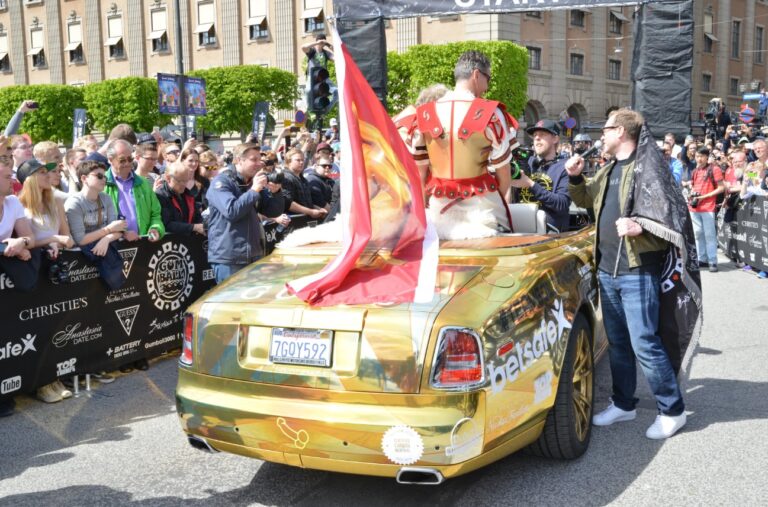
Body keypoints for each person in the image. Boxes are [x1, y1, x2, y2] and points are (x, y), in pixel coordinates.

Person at [566, 108, 687, 440]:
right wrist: (576, 178)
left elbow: (671, 221)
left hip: (636, 271)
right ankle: (623, 403)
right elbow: (585, 200)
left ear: (620, 131)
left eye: (605, 129)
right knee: (618, 343)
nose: (600, 135)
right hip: (607, 270)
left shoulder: (650, 169)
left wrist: (639, 227)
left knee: (644, 342)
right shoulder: (608, 170)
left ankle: (672, 410)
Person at [410, 50, 515, 239]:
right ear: (476, 75)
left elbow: (420, 175)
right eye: (487, 79)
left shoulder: (423, 115)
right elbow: (504, 175)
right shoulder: (491, 113)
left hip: (439, 216)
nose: (487, 87)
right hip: (483, 215)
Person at [16, 159, 76, 403]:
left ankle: (53, 379)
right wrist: (51, 239)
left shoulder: (55, 202)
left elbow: (68, 239)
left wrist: (58, 241)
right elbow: (26, 240)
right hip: (34, 270)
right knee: (35, 329)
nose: (48, 175)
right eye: (41, 172)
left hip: (54, 270)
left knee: (55, 325)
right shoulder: (19, 206)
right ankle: (40, 384)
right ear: (29, 179)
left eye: (47, 171)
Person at [0, 155, 39, 418]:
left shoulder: (12, 202)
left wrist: (21, 243)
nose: (13, 180)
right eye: (6, 176)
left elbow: (31, 237)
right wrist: (7, 245)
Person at [205, 143, 272, 284]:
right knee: (229, 304)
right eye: (253, 159)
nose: (258, 164)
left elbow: (272, 211)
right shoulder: (221, 182)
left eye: (260, 159)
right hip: (230, 257)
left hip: (253, 254)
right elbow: (232, 211)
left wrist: (276, 192)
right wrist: (254, 191)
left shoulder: (252, 182)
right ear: (238, 160)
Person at [512, 119, 572, 233]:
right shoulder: (526, 163)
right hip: (520, 231)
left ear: (555, 138)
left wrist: (530, 184)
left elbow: (562, 204)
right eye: (534, 135)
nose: (537, 138)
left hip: (552, 238)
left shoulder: (565, 167)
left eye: (542, 134)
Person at [104, 139, 165, 244]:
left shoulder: (143, 183)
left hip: (142, 245)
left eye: (130, 159)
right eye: (122, 160)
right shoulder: (101, 185)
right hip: (112, 247)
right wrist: (122, 233)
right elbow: (96, 222)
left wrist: (155, 228)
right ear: (110, 159)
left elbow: (155, 214)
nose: (128, 163)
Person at [682, 146, 725, 272]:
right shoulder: (694, 171)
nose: (699, 159)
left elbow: (721, 188)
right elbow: (695, 188)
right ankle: (702, 259)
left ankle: (712, 261)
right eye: (697, 156)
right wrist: (692, 194)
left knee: (710, 235)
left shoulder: (714, 169)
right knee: (698, 234)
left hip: (708, 207)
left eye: (701, 156)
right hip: (694, 207)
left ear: (707, 157)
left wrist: (704, 196)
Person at [155, 162, 205, 237]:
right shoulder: (160, 195)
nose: (184, 184)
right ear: (168, 178)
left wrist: (201, 224)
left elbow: (196, 215)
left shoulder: (187, 193)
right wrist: (193, 227)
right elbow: (166, 224)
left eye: (186, 180)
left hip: (187, 242)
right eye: (180, 181)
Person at [281, 148, 328, 219]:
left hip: (306, 220)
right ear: (289, 161)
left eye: (302, 160)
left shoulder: (303, 179)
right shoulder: (285, 178)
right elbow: (288, 204)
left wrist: (318, 209)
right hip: (294, 221)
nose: (301, 162)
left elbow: (307, 202)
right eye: (298, 160)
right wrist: (311, 212)